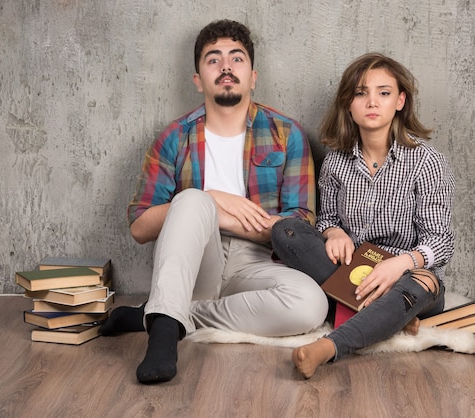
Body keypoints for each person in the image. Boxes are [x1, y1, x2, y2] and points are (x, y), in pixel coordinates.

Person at [100, 19, 328, 384]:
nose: (225, 67)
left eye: (236, 59)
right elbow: (140, 226)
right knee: (192, 199)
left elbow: (299, 226)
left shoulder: (287, 134)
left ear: (252, 75)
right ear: (198, 79)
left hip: (259, 263)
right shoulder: (174, 137)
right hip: (194, 263)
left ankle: (162, 315)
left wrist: (222, 216)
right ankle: (162, 340)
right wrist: (209, 203)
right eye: (213, 60)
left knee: (311, 305)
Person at [271, 53, 455, 378]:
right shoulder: (335, 163)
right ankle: (389, 318)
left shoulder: (427, 162)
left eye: (383, 93)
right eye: (361, 93)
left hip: (406, 277)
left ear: (400, 101)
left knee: (422, 284)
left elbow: (440, 243)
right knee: (287, 231)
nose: (372, 101)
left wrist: (399, 264)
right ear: (349, 104)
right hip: (351, 273)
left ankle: (329, 346)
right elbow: (325, 218)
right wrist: (333, 232)